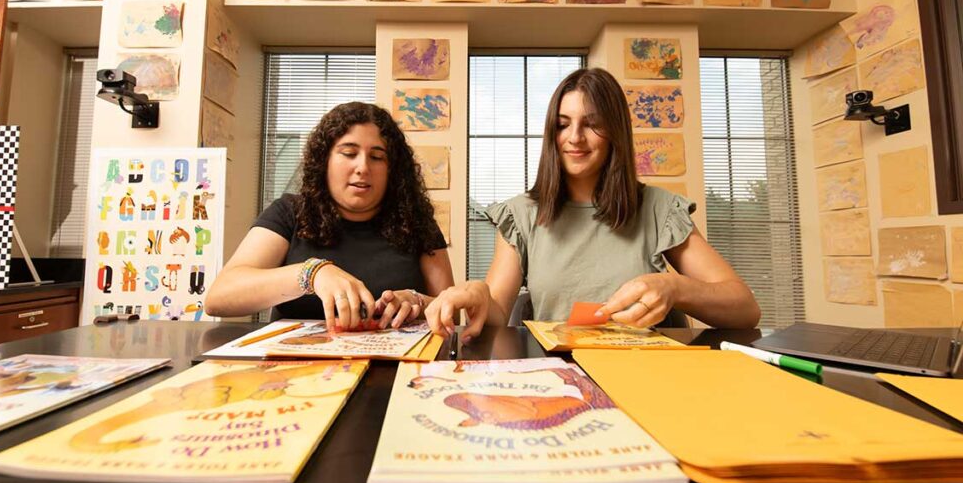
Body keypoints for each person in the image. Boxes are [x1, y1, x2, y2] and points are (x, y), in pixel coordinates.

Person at [425, 67, 760, 343]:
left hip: (649, 376)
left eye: (592, 124)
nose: (575, 138)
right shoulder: (521, 214)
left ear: (615, 131)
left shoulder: (659, 209)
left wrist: (675, 288)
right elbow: (496, 313)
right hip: (561, 377)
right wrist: (480, 297)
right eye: (563, 124)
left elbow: (745, 309)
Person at [205, 102, 454, 332]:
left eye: (377, 157)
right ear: (324, 160)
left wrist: (417, 300)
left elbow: (451, 313)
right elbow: (219, 299)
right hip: (295, 373)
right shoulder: (289, 213)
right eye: (348, 153)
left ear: (393, 170)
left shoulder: (417, 222)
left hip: (396, 370)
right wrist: (312, 273)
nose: (363, 167)